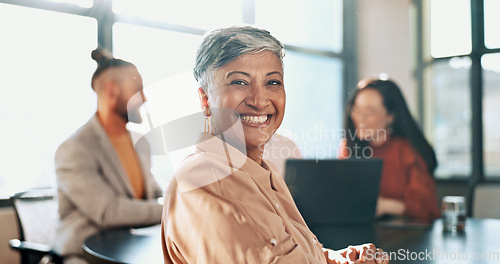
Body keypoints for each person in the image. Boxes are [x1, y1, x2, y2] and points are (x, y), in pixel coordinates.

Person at [161, 26, 388, 264]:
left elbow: (291, 252)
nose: (259, 101)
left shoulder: (266, 171)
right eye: (239, 82)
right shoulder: (202, 178)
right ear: (206, 100)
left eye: (272, 82)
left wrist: (337, 259)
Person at [54, 48, 163, 264]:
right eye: (138, 90)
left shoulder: (139, 143)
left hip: (130, 250)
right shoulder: (74, 148)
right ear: (112, 90)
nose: (144, 98)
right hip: (83, 255)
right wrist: (172, 208)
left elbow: (155, 193)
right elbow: (109, 211)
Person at [339, 76, 440, 223]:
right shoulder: (348, 148)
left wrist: (384, 206)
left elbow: (426, 209)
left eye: (370, 112)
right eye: (356, 110)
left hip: (404, 237)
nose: (361, 118)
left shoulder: (408, 150)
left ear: (391, 116)